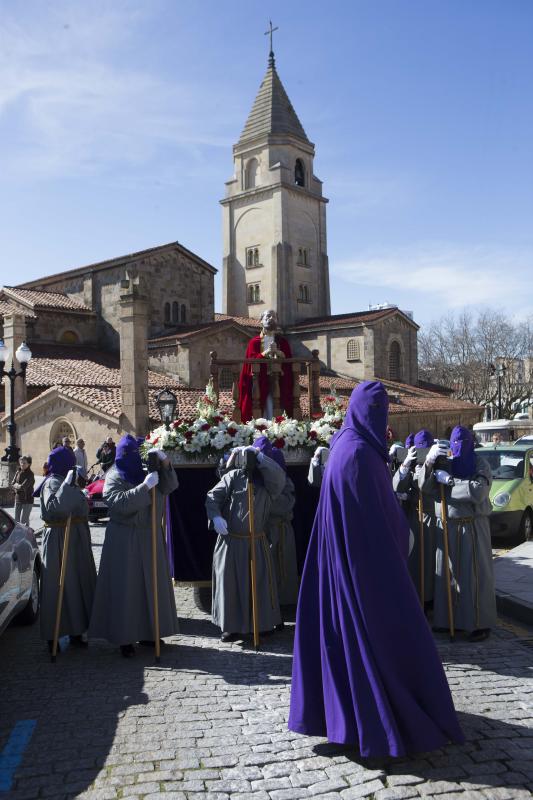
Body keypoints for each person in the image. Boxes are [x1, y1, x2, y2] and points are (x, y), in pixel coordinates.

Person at [288, 381, 464, 757]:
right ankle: (383, 722)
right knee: (385, 641)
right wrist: (403, 539)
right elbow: (385, 524)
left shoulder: (344, 445)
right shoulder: (361, 456)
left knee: (343, 641)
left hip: (335, 564)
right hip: (363, 571)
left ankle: (346, 721)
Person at [89, 435, 179, 658]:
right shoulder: (114, 476)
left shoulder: (152, 473)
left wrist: (166, 464)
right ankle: (124, 637)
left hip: (150, 536)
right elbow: (119, 504)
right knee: (126, 590)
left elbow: (172, 486)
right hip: (124, 537)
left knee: (150, 586)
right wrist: (144, 488)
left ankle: (150, 632)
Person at [418, 425, 496, 642]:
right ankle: (447, 620)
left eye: (462, 443)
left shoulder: (481, 463)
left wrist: (451, 481)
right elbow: (425, 487)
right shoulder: (447, 464)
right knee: (448, 575)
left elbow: (478, 491)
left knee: (475, 577)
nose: (458, 447)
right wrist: (430, 463)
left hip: (473, 526)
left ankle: (480, 622)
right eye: (454, 443)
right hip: (449, 525)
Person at [205, 437, 284, 642]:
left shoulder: (269, 484)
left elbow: (278, 478)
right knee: (230, 585)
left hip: (256, 541)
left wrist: (260, 458)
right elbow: (213, 497)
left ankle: (263, 623)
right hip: (231, 541)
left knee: (258, 584)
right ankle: (230, 626)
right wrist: (215, 517)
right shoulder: (233, 476)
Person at [39, 446, 97, 654]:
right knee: (60, 585)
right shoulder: (52, 483)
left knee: (78, 584)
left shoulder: (68, 480)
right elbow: (56, 508)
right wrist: (66, 485)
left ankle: (77, 630)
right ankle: (53, 634)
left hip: (76, 539)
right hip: (59, 540)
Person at [392, 429, 438, 604]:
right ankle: (416, 598)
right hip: (413, 517)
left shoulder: (438, 463)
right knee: (414, 561)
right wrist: (404, 467)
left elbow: (427, 487)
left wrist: (429, 463)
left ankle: (430, 599)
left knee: (431, 562)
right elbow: (397, 486)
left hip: (433, 518)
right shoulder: (410, 465)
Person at [238, 309, 293, 422]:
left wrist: (280, 353)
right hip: (260, 383)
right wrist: (265, 352)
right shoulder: (254, 342)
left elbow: (289, 363)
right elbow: (250, 362)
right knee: (265, 412)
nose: (271, 318)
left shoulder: (283, 342)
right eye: (268, 316)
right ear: (261, 321)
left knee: (279, 409)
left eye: (274, 317)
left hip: (279, 382)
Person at [265, 446, 299, 609]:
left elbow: (286, 503)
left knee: (284, 568)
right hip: (265, 532)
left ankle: (284, 601)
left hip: (281, 530)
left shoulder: (286, 482)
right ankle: (268, 603)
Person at [11, 455, 35, 526]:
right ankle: (19, 535)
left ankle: (27, 535)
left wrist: (16, 485)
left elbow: (23, 487)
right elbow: (12, 483)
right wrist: (16, 485)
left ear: (29, 464)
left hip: (27, 499)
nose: (22, 464)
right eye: (21, 462)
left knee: (24, 521)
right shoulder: (18, 471)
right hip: (18, 498)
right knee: (16, 520)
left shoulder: (30, 474)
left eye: (24, 463)